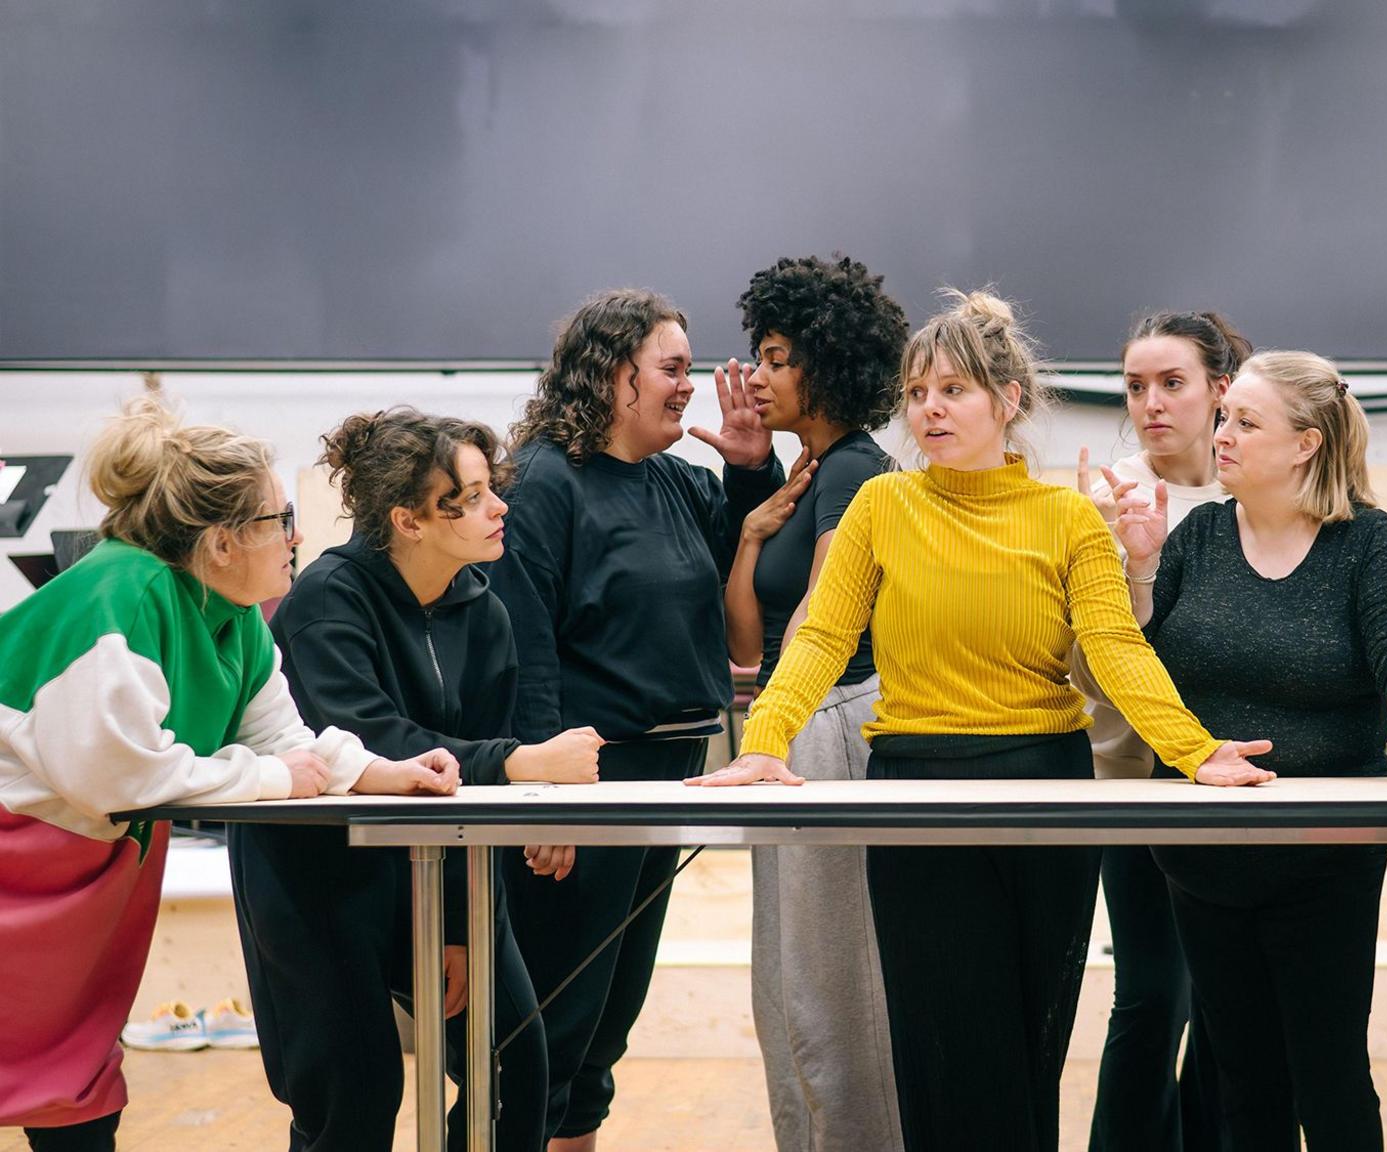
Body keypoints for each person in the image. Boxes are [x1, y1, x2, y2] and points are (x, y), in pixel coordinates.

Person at [693, 289, 1274, 1152]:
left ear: (1007, 401)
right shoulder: (882, 508)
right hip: (915, 792)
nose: (930, 408)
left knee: (1030, 1048)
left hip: (1045, 787)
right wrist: (765, 743)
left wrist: (1195, 753)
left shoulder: (1068, 518)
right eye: (918, 392)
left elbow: (1115, 649)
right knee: (944, 1046)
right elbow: (816, 638)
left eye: (954, 390)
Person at [0, 396, 457, 1151]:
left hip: (80, 872)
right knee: (65, 1093)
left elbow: (284, 737)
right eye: (279, 518)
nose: (296, 534)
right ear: (219, 542)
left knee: (75, 1093)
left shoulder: (236, 610)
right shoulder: (123, 594)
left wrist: (384, 771)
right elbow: (126, 780)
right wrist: (276, 776)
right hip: (25, 860)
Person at [1117, 349, 1387, 1150]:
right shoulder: (1200, 533)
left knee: (1330, 1073)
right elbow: (1136, 664)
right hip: (1203, 852)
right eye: (1224, 419)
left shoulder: (1364, 542)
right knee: (1242, 1080)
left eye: (1246, 421)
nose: (1223, 435)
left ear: (1306, 443)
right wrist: (1140, 567)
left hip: (1324, 852)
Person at [232, 408, 607, 1151]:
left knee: (520, 1069)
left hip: (440, 874)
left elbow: (466, 794)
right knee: (357, 1095)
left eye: (488, 488)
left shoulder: (485, 610)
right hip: (320, 881)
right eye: (467, 498)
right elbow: (380, 751)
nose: (499, 507)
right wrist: (518, 761)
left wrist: (461, 927)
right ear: (408, 520)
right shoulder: (327, 601)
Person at [488, 288, 791, 1148]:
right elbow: (526, 641)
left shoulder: (675, 480)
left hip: (670, 772)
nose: (689, 386)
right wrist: (545, 792)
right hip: (590, 775)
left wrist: (748, 467)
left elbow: (749, 560)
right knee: (549, 1027)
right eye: (674, 368)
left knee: (604, 1026)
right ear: (614, 374)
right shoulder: (545, 479)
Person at [722, 255, 907, 1152]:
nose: (758, 373)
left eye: (776, 355)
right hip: (789, 727)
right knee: (784, 995)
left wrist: (771, 730)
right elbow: (748, 644)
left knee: (832, 1001)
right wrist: (753, 523)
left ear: (825, 365)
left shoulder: (857, 472)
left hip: (832, 727)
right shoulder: (808, 474)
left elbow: (821, 622)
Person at [1074, 310, 1244, 1152]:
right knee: (1150, 992)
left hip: (1243, 778)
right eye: (1135, 386)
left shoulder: (1257, 489)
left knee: (1227, 1006)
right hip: (1134, 781)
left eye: (1172, 383)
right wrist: (1126, 560)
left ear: (1220, 389)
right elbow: (1090, 666)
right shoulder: (1102, 495)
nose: (1151, 403)